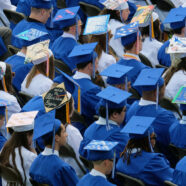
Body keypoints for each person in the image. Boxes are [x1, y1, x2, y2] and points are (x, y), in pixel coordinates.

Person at [126, 68, 177, 163]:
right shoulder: (165, 117)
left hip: (139, 158)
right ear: (156, 92)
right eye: (164, 86)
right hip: (165, 161)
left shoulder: (131, 109)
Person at [116, 115, 174, 186]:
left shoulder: (123, 158)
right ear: (148, 140)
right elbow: (174, 180)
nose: (155, 140)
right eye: (154, 137)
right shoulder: (153, 161)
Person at [79, 86, 131, 159]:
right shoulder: (119, 136)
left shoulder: (88, 130)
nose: (125, 113)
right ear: (115, 114)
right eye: (124, 110)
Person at [29, 111, 79, 186]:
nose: (66, 135)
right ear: (56, 138)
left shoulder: (34, 163)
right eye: (64, 132)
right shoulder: (63, 169)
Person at [0, 111, 38, 186]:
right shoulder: (30, 156)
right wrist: (35, 155)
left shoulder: (4, 149)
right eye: (32, 135)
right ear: (27, 135)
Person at [69, 43, 102, 126]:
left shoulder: (67, 81)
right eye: (97, 63)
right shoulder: (92, 90)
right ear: (90, 66)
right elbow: (102, 112)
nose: (97, 67)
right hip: (84, 130)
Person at [115, 22, 149, 94]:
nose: (142, 42)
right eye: (141, 40)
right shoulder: (142, 69)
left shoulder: (116, 65)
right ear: (137, 43)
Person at [51, 6, 82, 73]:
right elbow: (78, 74)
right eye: (80, 25)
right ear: (73, 28)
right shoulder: (76, 49)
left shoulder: (56, 41)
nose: (81, 28)